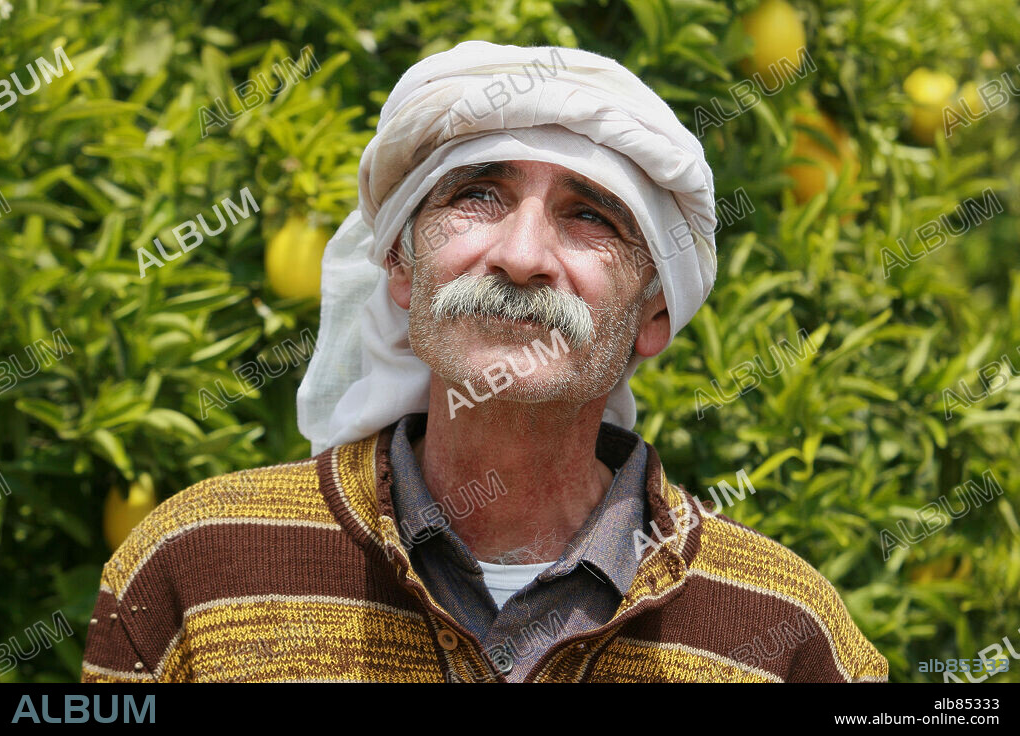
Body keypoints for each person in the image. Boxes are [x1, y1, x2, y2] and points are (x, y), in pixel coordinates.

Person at [81, 40, 887, 683]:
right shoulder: (197, 563)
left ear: (656, 314)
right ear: (401, 266)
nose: (523, 254)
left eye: (589, 216)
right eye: (478, 196)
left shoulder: (786, 630)